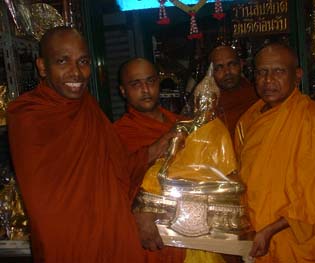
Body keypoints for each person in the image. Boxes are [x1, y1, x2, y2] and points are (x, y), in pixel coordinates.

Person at [7, 26, 146, 262]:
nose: (77, 73)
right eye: (63, 61)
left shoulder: (88, 107)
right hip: (66, 243)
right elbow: (45, 202)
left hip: (111, 234)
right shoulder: (28, 115)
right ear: (42, 67)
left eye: (83, 61)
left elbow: (119, 167)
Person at [234, 42, 315, 262]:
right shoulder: (248, 120)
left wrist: (271, 229)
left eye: (278, 71)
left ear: (297, 75)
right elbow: (242, 180)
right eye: (261, 72)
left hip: (298, 238)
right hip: (256, 235)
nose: (268, 80)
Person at [114, 58, 186, 263]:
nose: (145, 89)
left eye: (150, 81)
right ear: (122, 91)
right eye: (136, 84)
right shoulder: (117, 134)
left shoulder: (181, 123)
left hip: (190, 230)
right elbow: (115, 185)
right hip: (148, 235)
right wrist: (159, 145)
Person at [210, 45, 258, 138]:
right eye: (219, 67)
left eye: (232, 64)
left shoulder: (257, 96)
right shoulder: (208, 101)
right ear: (211, 72)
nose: (227, 72)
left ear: (241, 64)